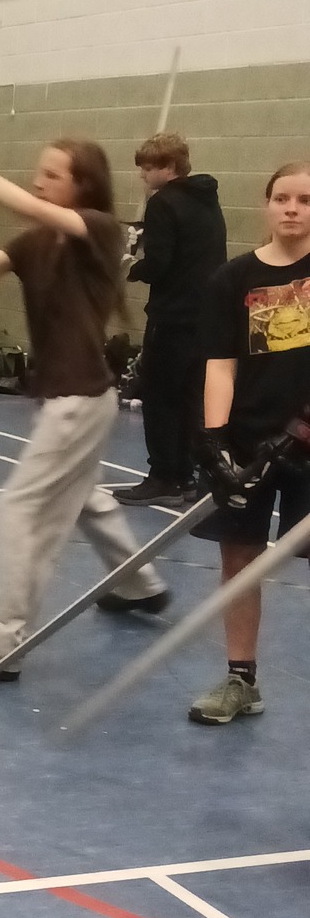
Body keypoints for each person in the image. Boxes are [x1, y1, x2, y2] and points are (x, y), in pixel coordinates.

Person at [0, 138, 168, 686]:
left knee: (16, 511)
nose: (38, 182)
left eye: (52, 175)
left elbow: (23, 205)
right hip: (71, 400)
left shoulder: (101, 229)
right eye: (38, 173)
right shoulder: (35, 244)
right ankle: (139, 583)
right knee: (85, 497)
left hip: (81, 399)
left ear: (81, 186)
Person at [185, 159, 310, 725]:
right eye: (282, 198)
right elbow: (221, 366)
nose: (292, 209)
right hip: (250, 443)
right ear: (266, 204)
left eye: (305, 200)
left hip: (306, 442)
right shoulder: (233, 279)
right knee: (239, 557)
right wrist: (216, 444)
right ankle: (241, 679)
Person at [116, 132, 226, 507]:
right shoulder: (207, 200)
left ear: (169, 167)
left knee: (160, 395)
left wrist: (133, 266)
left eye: (148, 168)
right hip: (206, 315)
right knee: (188, 397)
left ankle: (164, 474)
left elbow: (160, 265)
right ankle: (187, 475)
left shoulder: (162, 203)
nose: (143, 176)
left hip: (173, 314)